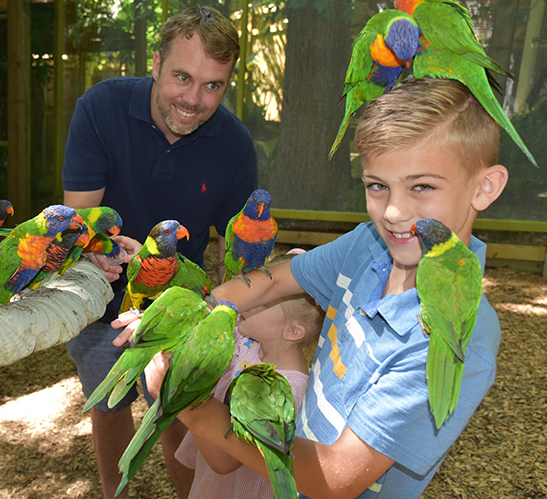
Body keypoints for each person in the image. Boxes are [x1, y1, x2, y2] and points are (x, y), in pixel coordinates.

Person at [137, 78, 509, 499]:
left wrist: (192, 405)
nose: (392, 211)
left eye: (422, 186)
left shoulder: (458, 334)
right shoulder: (367, 245)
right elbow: (276, 279)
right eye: (377, 185)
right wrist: (196, 320)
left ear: (485, 187)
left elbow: (334, 478)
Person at [61, 5, 258, 498]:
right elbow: (81, 218)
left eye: (213, 85)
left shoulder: (234, 145)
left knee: (179, 414)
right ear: (156, 63)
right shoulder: (101, 108)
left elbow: (235, 256)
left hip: (181, 311)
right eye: (182, 77)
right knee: (107, 407)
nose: (194, 99)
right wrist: (96, 255)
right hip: (102, 299)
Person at [177, 284, 324, 498]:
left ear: (292, 331)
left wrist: (179, 398)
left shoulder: (286, 392)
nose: (246, 302)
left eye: (261, 302)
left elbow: (224, 461)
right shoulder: (248, 341)